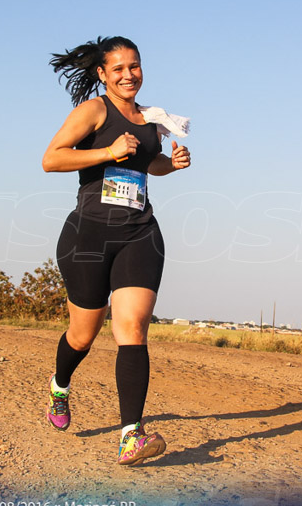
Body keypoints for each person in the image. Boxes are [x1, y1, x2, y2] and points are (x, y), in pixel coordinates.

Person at [42, 36, 191, 466]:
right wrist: (108, 150)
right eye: (119, 68)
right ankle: (60, 385)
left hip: (138, 231)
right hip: (88, 236)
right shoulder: (93, 110)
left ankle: (131, 435)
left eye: (135, 66)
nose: (129, 75)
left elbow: (148, 165)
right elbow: (51, 159)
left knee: (133, 327)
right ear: (102, 74)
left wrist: (171, 164)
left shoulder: (150, 119)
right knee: (82, 335)